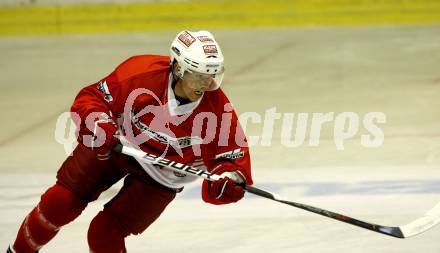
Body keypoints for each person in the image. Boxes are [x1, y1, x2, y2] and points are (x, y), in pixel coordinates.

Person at [7, 30, 253, 253]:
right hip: (116, 144)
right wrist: (100, 125)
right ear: (178, 69)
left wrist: (229, 181)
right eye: (198, 76)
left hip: (163, 174)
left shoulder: (217, 109)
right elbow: (90, 98)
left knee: (104, 233)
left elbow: (232, 159)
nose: (206, 84)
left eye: (211, 76)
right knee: (59, 203)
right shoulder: (140, 73)